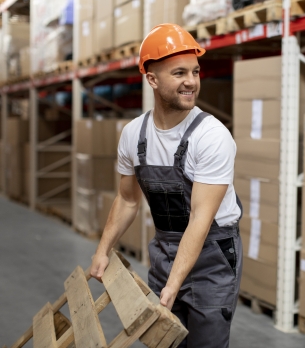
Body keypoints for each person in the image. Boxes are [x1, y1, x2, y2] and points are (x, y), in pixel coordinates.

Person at [89, 23, 243, 348]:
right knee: (164, 343)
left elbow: (200, 220)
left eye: (196, 71)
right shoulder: (134, 134)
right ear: (152, 79)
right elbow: (127, 199)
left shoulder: (212, 137)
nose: (191, 81)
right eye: (179, 73)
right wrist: (103, 251)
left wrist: (173, 285)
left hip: (211, 257)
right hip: (165, 250)